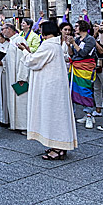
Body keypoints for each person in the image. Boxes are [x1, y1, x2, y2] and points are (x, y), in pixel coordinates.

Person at [19, 20, 77, 159]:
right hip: (55, 86)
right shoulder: (55, 45)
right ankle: (58, 145)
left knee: (53, 115)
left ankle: (58, 148)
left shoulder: (48, 45)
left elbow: (33, 61)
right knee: (56, 115)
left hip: (50, 87)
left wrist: (24, 52)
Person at [0, 21, 30, 133]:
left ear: (9, 29)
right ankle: (15, 123)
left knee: (21, 101)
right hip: (11, 75)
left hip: (19, 77)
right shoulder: (11, 42)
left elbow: (24, 60)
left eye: (3, 29)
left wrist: (22, 77)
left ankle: (25, 126)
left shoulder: (20, 40)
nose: (2, 31)